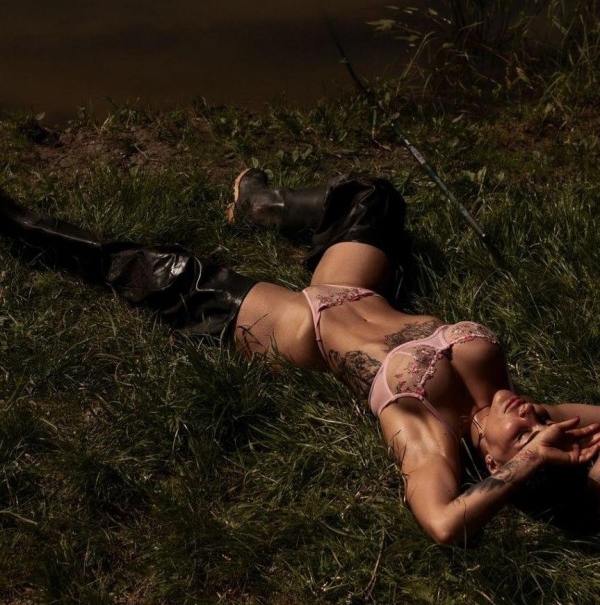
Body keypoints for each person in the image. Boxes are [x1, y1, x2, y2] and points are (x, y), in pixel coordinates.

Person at [1, 170, 600, 545]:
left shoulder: (429, 434)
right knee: (372, 196)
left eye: (526, 436)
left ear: (493, 459)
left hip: (295, 325)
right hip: (354, 289)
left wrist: (527, 465)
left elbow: (444, 524)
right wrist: (551, 447)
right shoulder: (516, 408)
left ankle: (16, 223)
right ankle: (261, 205)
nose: (533, 416)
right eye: (541, 425)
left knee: (156, 269)